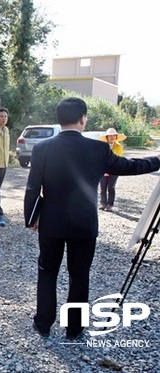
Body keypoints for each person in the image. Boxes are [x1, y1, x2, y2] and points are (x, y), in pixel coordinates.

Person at [24, 97, 160, 340]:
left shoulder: (42, 148)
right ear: (83, 119)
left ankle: (43, 323)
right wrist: (158, 159)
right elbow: (131, 166)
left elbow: (33, 188)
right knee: (80, 274)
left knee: (47, 272)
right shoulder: (98, 149)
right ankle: (74, 328)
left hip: (51, 223)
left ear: (60, 118)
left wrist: (31, 218)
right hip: (84, 224)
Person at [98, 128, 126, 211]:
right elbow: (100, 158)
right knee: (103, 188)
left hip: (114, 170)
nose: (112, 137)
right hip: (103, 170)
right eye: (110, 135)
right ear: (107, 137)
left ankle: (110, 204)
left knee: (111, 187)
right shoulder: (102, 146)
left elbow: (119, 158)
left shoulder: (118, 146)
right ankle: (103, 203)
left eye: (114, 135)